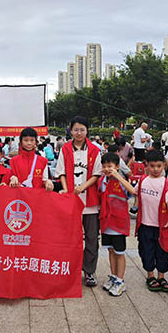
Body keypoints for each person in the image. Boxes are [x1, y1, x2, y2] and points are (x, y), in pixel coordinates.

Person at [55, 116, 102, 287]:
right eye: (76, 129)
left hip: (90, 202)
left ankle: (89, 271)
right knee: (69, 238)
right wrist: (67, 190)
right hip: (71, 201)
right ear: (70, 130)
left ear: (87, 131)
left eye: (82, 129)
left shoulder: (95, 150)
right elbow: (61, 172)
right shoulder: (66, 149)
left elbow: (97, 174)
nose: (79, 133)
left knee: (91, 238)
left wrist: (83, 187)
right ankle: (69, 269)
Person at [135, 150, 168, 293]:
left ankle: (161, 277)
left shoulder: (167, 184)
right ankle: (150, 276)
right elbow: (134, 191)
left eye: (159, 166)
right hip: (145, 225)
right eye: (152, 166)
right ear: (146, 165)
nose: (155, 169)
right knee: (146, 251)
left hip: (162, 226)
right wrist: (118, 177)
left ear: (164, 165)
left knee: (163, 252)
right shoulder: (143, 180)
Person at [98, 152, 137, 296]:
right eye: (104, 166)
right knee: (110, 250)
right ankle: (113, 277)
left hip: (119, 223)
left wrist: (118, 176)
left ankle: (120, 281)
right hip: (106, 222)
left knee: (119, 253)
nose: (107, 169)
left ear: (117, 167)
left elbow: (133, 191)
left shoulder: (121, 180)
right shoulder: (102, 180)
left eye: (110, 166)